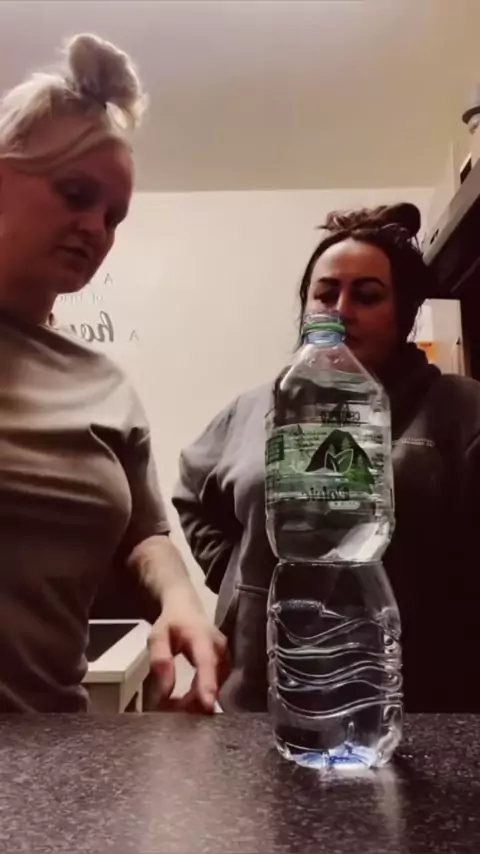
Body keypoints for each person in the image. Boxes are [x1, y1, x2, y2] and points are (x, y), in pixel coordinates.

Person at [173, 202, 480, 714]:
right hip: (265, 700)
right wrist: (242, 580)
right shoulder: (255, 408)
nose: (341, 310)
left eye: (367, 295)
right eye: (325, 293)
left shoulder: (460, 410)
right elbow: (193, 495)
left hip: (419, 707)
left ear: (404, 315)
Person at [0, 33, 226, 713]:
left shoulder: (104, 385)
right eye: (76, 194)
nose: (95, 227)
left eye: (114, 216)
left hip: (55, 751)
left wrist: (181, 599)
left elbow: (146, 535)